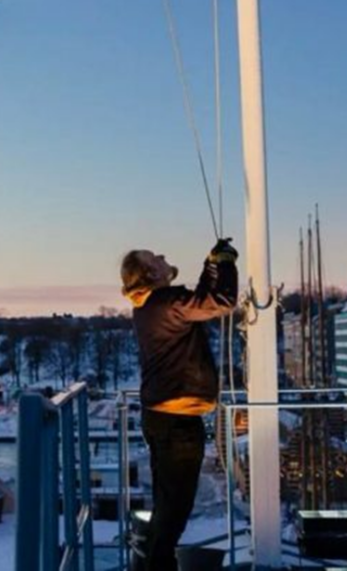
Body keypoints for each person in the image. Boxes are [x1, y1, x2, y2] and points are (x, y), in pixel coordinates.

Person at [121, 239, 239, 571]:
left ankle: (155, 565)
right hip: (176, 421)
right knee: (175, 512)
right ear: (151, 272)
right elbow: (221, 301)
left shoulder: (149, 306)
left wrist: (210, 265)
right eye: (154, 256)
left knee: (167, 505)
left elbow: (199, 302)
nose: (162, 255)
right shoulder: (165, 301)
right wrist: (226, 262)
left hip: (162, 417)